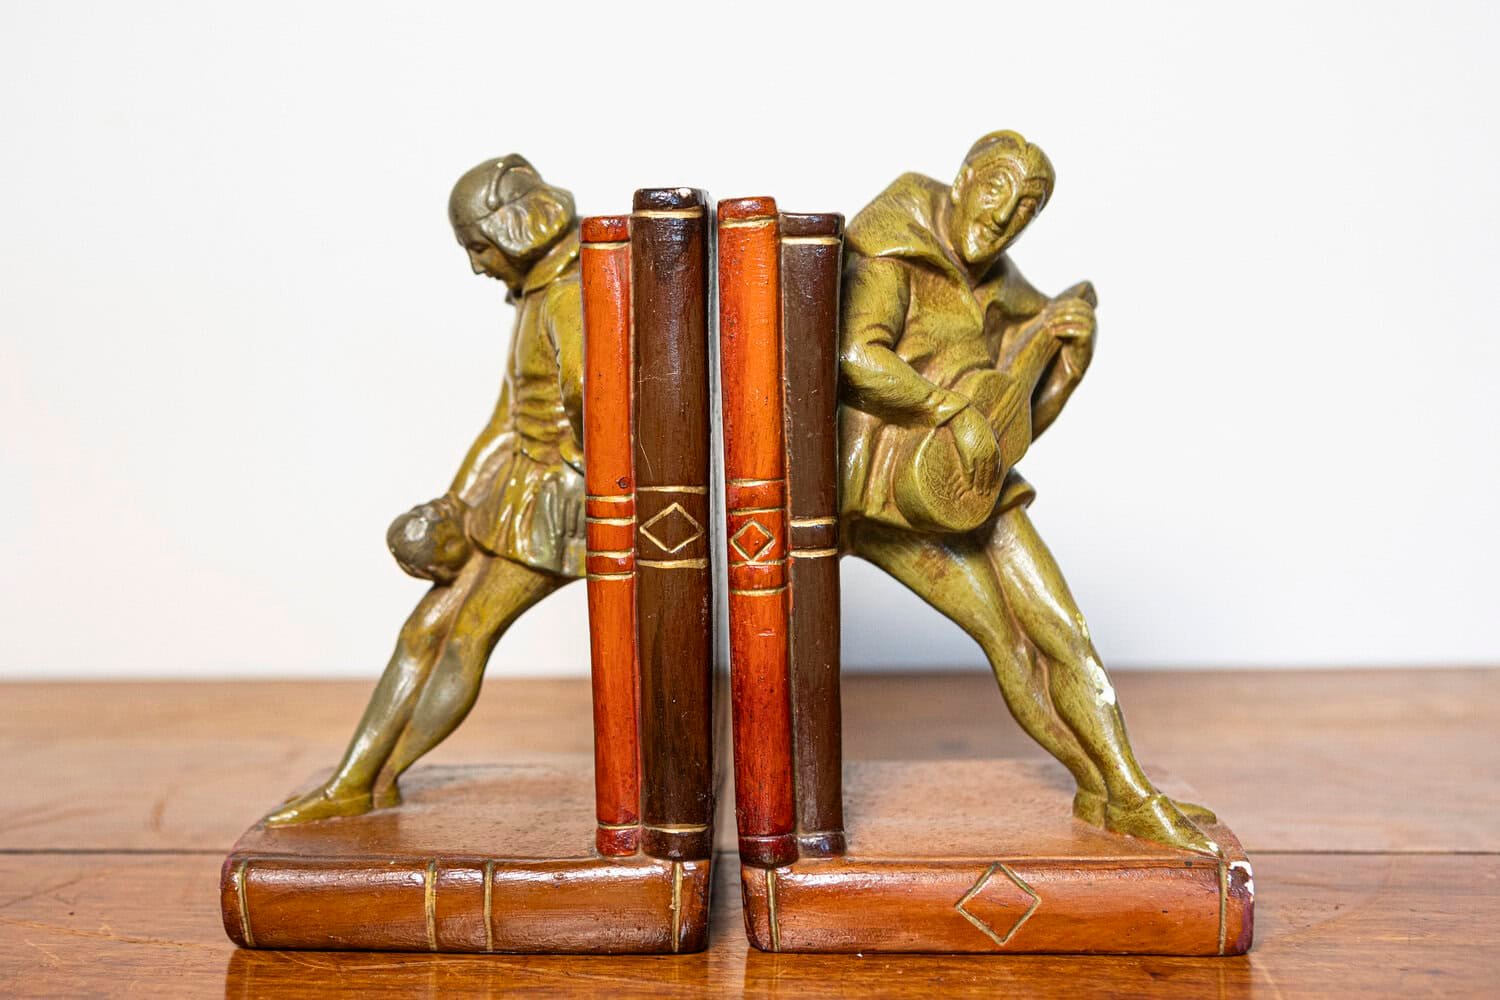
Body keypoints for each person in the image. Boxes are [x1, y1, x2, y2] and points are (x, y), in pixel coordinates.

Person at [839, 131, 1218, 853]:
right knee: (1007, 639)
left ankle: (1121, 792)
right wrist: (945, 409)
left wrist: (1071, 357)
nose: (1006, 217)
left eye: (1026, 209)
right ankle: (1108, 782)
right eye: (997, 193)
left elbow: (1014, 421)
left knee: (1064, 630)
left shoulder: (1000, 278)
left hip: (969, 484)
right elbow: (856, 356)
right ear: (964, 177)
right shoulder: (891, 246)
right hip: (892, 489)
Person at [266, 155, 584, 825]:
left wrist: (584, 474)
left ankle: (383, 772)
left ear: (518, 228)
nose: (476, 265)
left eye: (479, 246)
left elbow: (590, 400)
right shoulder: (535, 297)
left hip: (558, 502)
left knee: (467, 633)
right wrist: (458, 503)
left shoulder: (572, 294)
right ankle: (355, 779)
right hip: (517, 492)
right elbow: (505, 418)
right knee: (423, 629)